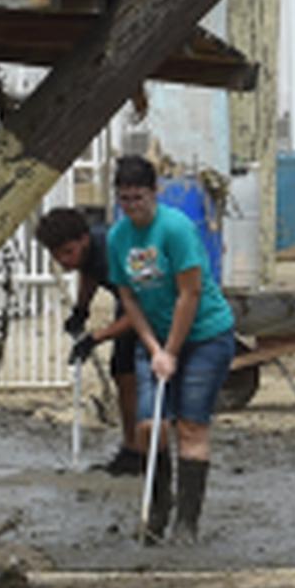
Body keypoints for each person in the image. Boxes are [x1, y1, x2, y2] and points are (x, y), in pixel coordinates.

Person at [104, 155, 238, 544]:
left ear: (155, 193)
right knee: (150, 425)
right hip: (157, 338)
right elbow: (128, 298)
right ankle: (158, 506)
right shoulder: (118, 237)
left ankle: (186, 523)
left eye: (138, 198)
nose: (132, 207)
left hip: (204, 336)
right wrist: (152, 346)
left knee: (190, 425)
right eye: (124, 199)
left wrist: (172, 351)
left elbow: (190, 292)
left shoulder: (176, 229)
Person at [36, 206, 146, 474]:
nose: (63, 261)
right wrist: (81, 309)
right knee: (122, 372)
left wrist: (95, 338)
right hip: (129, 303)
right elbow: (90, 273)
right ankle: (131, 447)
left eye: (67, 252)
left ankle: (145, 450)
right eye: (56, 255)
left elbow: (143, 311)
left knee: (143, 377)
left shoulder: (114, 251)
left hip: (157, 305)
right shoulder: (90, 253)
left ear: (84, 239)